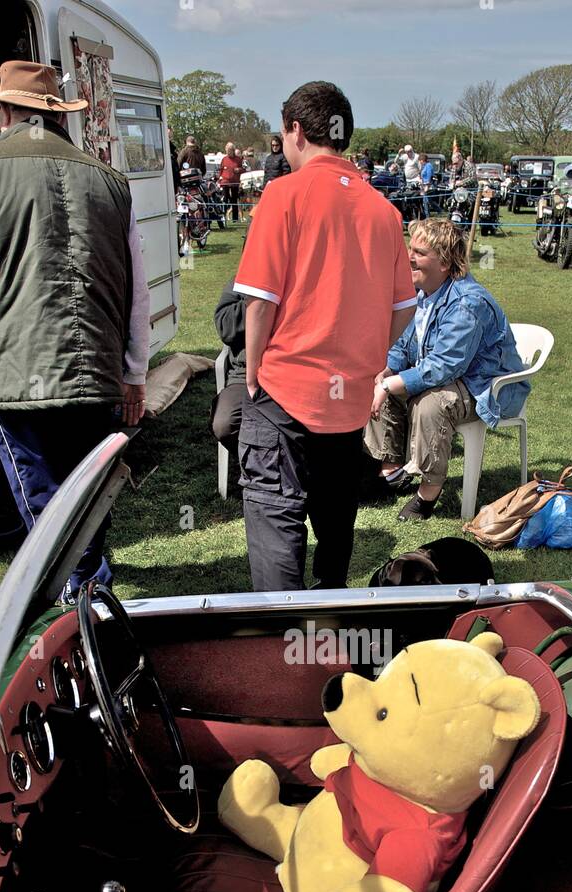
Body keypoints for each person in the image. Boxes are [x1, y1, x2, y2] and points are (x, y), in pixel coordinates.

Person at [0, 60, 149, 600]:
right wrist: (135, 371)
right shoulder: (110, 180)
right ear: (56, 117)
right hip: (94, 369)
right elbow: (136, 292)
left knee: (50, 508)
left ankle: (82, 609)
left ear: (3, 110)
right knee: (84, 496)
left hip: (19, 373)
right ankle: (90, 598)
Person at [232, 80, 416, 591]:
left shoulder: (282, 194)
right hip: (348, 397)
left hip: (284, 387)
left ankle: (280, 639)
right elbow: (403, 309)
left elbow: (260, 301)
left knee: (275, 517)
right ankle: (330, 612)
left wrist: (252, 371)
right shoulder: (385, 211)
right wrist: (370, 360)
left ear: (295, 130)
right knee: (335, 518)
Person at [364, 219, 530, 522]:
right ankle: (391, 471)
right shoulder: (421, 294)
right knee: (380, 383)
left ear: (444, 262)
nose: (409, 257)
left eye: (420, 253)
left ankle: (429, 491)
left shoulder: (468, 302)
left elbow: (444, 365)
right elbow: (404, 345)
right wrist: (386, 371)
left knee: (431, 405)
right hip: (452, 376)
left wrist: (390, 385)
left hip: (486, 385)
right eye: (410, 249)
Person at [211, 279, 248, 468]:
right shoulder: (241, 281)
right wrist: (260, 298)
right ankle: (258, 466)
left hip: (293, 371)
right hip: (245, 373)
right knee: (225, 423)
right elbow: (225, 326)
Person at [219, 141, 244, 222]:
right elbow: (221, 170)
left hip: (234, 182)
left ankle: (235, 218)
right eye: (227, 150)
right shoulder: (224, 159)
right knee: (225, 199)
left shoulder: (238, 159)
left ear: (233, 150)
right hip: (225, 182)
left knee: (234, 199)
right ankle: (224, 216)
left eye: (230, 150)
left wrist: (239, 170)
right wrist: (220, 179)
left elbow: (243, 169)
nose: (229, 152)